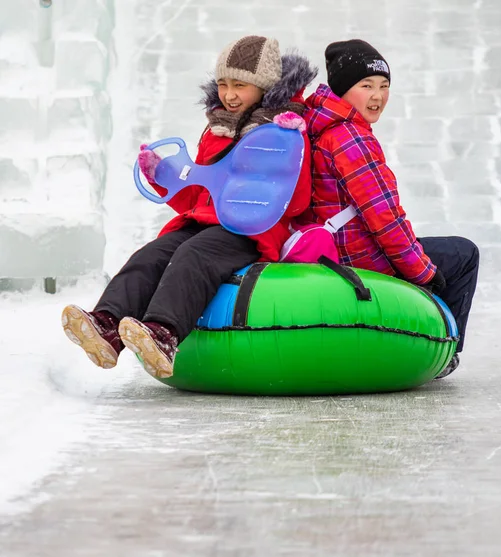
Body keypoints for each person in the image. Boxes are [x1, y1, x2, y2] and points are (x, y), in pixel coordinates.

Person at [61, 35, 317, 378]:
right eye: (224, 84)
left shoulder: (285, 131)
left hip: (248, 230)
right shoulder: (217, 129)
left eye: (240, 85)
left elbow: (297, 202)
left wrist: (290, 147)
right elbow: (198, 193)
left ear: (264, 86)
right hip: (202, 220)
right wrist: (160, 175)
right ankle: (107, 324)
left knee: (194, 255)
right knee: (151, 255)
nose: (229, 94)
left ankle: (163, 333)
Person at [301, 39, 479, 378]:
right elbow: (384, 219)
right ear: (343, 89)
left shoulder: (318, 126)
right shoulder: (350, 138)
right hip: (359, 259)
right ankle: (443, 350)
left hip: (329, 252)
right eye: (366, 86)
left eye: (384, 86)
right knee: (463, 254)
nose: (377, 96)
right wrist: (423, 272)